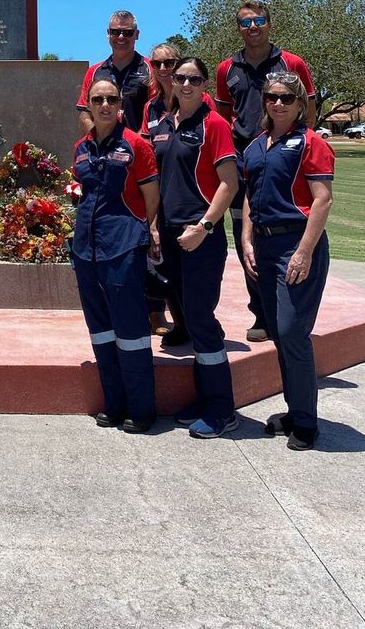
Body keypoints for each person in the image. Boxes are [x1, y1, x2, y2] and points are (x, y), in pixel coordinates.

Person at [241, 72, 334, 451]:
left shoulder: (311, 143)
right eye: (271, 97)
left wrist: (305, 250)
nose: (277, 103)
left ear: (300, 104)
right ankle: (295, 410)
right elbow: (249, 194)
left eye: (286, 97)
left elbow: (322, 199)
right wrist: (246, 237)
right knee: (279, 334)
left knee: (292, 331)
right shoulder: (256, 146)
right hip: (263, 247)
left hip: (297, 245)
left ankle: (307, 423)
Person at [149, 57, 240, 439]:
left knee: (202, 319)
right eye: (179, 77)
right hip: (169, 234)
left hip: (200, 235)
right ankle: (204, 400)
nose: (185, 83)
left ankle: (221, 408)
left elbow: (229, 183)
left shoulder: (214, 124)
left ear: (204, 84)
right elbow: (155, 181)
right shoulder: (162, 126)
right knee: (186, 313)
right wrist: (153, 226)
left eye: (194, 78)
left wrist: (204, 226)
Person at [216, 1, 315, 343]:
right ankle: (261, 312)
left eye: (259, 21)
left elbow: (309, 108)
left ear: (269, 24)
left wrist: (299, 150)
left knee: (288, 228)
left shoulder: (292, 63)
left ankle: (294, 309)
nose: (253, 27)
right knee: (247, 234)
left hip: (287, 158)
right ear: (238, 28)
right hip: (247, 161)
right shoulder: (226, 68)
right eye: (246, 22)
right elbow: (225, 114)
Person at [72, 76, 160, 433]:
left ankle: (141, 409)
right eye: (98, 99)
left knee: (131, 330)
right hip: (86, 249)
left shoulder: (137, 145)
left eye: (111, 99)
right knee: (101, 331)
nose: (105, 105)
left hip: (123, 246)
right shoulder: (81, 147)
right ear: (89, 106)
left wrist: (148, 229)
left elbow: (151, 195)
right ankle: (114, 402)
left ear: (120, 106)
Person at [142, 43, 218, 344]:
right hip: (165, 205)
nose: (165, 69)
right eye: (158, 63)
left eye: (170, 63)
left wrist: (207, 223)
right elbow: (152, 158)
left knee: (197, 286)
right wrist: (152, 221)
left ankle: (202, 331)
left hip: (196, 211)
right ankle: (183, 325)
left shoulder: (205, 108)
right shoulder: (152, 110)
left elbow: (222, 174)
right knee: (171, 276)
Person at [77, 10, 151, 136]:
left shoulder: (150, 69)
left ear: (137, 34)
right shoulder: (94, 72)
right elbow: (84, 112)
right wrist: (99, 139)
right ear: (108, 34)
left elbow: (158, 112)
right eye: (115, 32)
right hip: (102, 152)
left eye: (127, 32)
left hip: (138, 149)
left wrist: (134, 145)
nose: (121, 37)